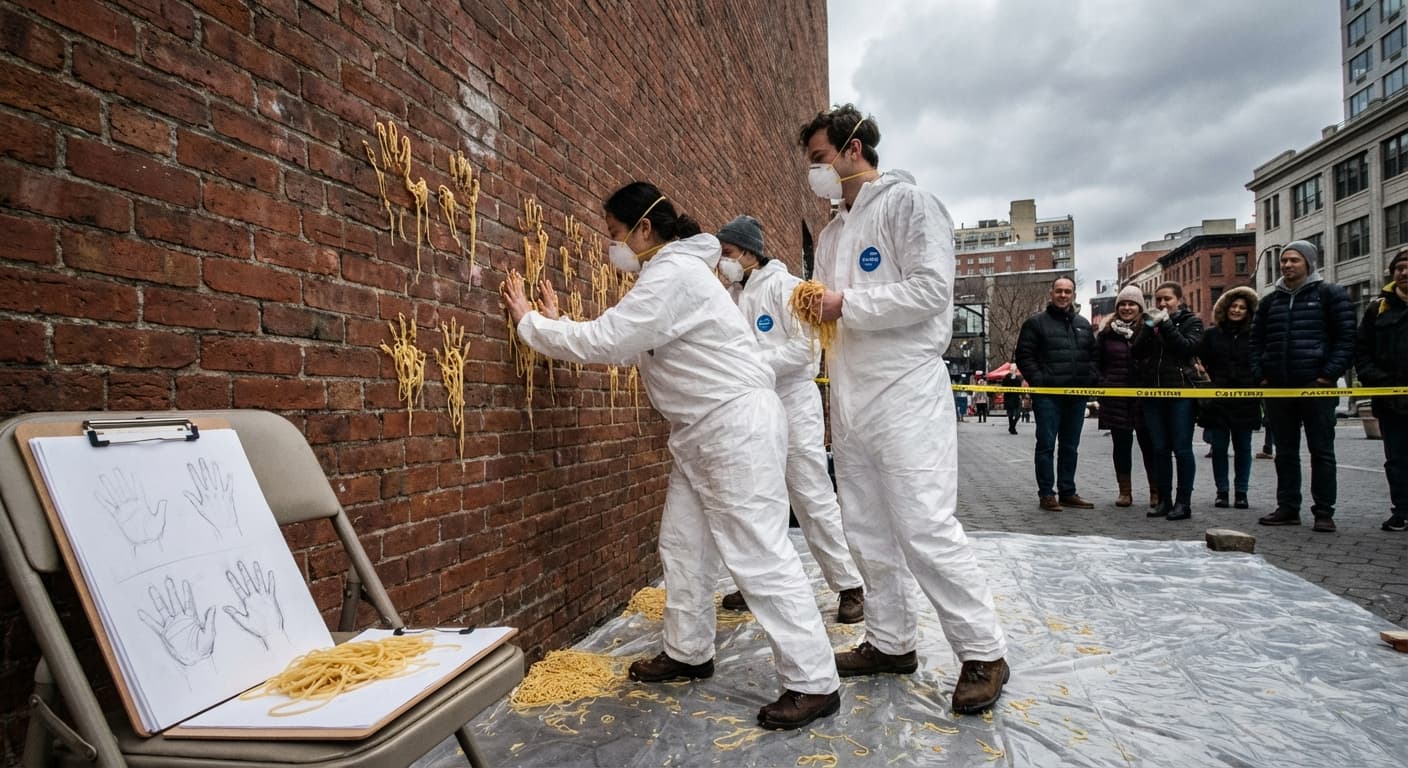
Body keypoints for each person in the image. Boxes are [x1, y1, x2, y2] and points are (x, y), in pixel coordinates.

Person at [500, 182, 840, 730]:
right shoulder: (674, 275)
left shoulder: (673, 274)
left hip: (730, 426)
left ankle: (814, 682)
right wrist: (558, 323)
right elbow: (626, 336)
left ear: (643, 230)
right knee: (682, 543)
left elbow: (610, 340)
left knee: (759, 553)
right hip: (704, 430)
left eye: (614, 234)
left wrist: (530, 324)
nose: (611, 247)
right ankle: (688, 652)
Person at [797, 105, 1008, 715]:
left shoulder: (909, 206)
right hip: (852, 392)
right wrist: (810, 311)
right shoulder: (834, 232)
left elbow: (932, 290)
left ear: (853, 148)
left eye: (819, 158)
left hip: (906, 389)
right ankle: (890, 641)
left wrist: (847, 305)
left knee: (923, 524)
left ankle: (983, 650)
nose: (814, 171)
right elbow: (826, 307)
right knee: (865, 527)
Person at [713, 213, 866, 623]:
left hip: (793, 403)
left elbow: (805, 352)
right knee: (758, 498)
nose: (723, 262)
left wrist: (748, 364)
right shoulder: (735, 295)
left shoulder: (788, 289)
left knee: (811, 495)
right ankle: (759, 584)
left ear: (748, 252)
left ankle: (850, 586)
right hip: (753, 405)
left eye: (727, 253)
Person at [1249, 240, 1357, 532]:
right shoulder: (1270, 301)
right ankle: (1288, 507)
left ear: (1309, 263)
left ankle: (1324, 511)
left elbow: (1347, 339)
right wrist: (1262, 374)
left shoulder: (1330, 295)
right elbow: (1255, 342)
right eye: (1284, 260)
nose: (1286, 265)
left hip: (1316, 386)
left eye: (1294, 260)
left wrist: (1327, 374)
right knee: (1285, 452)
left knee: (1321, 451)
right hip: (1278, 388)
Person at [1015, 276, 1098, 511]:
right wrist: (1041, 381)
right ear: (1051, 293)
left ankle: (1067, 491)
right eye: (1059, 291)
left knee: (1071, 446)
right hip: (1048, 396)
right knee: (1046, 445)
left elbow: (1094, 356)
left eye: (1068, 292)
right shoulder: (1036, 323)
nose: (1063, 295)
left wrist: (1089, 377)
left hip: (1077, 395)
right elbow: (1024, 356)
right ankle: (1046, 494)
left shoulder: (1083, 324)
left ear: (1073, 295)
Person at [1131, 281, 1204, 521]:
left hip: (1180, 393)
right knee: (1159, 448)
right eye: (1158, 300)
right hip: (1153, 393)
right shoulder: (1152, 324)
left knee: (1182, 449)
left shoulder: (1192, 322)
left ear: (1179, 300)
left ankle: (1184, 502)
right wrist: (1147, 328)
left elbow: (1185, 348)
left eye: (1167, 299)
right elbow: (1136, 352)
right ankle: (1164, 500)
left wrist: (1167, 324)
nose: (1162, 304)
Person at [1354, 248, 1408, 531]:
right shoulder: (1378, 309)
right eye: (1400, 267)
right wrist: (1379, 381)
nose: (1404, 272)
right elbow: (1362, 351)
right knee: (1396, 459)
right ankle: (1402, 511)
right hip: (1390, 399)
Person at [1197, 286, 1261, 510]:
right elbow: (1200, 362)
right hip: (1218, 400)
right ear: (1225, 308)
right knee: (1219, 448)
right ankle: (1222, 492)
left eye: (1242, 307)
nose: (1237, 310)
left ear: (1249, 311)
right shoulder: (1212, 335)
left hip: (1246, 399)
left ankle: (1241, 492)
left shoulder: (1255, 335)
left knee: (1244, 448)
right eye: (1233, 306)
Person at [1094, 285, 1157, 508]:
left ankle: (1155, 491)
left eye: (1132, 304)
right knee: (1121, 446)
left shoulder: (1151, 329)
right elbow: (1096, 363)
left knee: (1150, 445)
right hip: (1116, 397)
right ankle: (1125, 492)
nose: (1127, 308)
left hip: (1144, 397)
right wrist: (1103, 383)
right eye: (1123, 304)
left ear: (1140, 307)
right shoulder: (1107, 333)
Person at [1001, 369, 1023, 434]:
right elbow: (1003, 386)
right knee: (1010, 414)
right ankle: (1012, 428)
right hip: (1009, 398)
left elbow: (1019, 387)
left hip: (1016, 398)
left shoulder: (1018, 378)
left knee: (1018, 414)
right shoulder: (1006, 378)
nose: (1013, 371)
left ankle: (1012, 426)